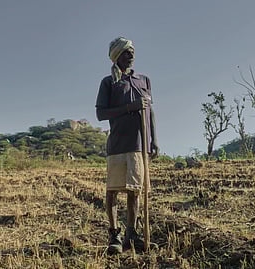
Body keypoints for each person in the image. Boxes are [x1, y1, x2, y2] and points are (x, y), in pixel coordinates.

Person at [95, 37, 158, 255]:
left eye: (132, 51)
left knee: (136, 191)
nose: (131, 55)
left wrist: (154, 140)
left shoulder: (144, 80)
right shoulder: (109, 82)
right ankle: (114, 235)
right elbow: (101, 114)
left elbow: (150, 112)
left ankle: (132, 234)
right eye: (126, 52)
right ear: (116, 57)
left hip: (139, 145)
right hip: (118, 144)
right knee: (113, 191)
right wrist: (130, 107)